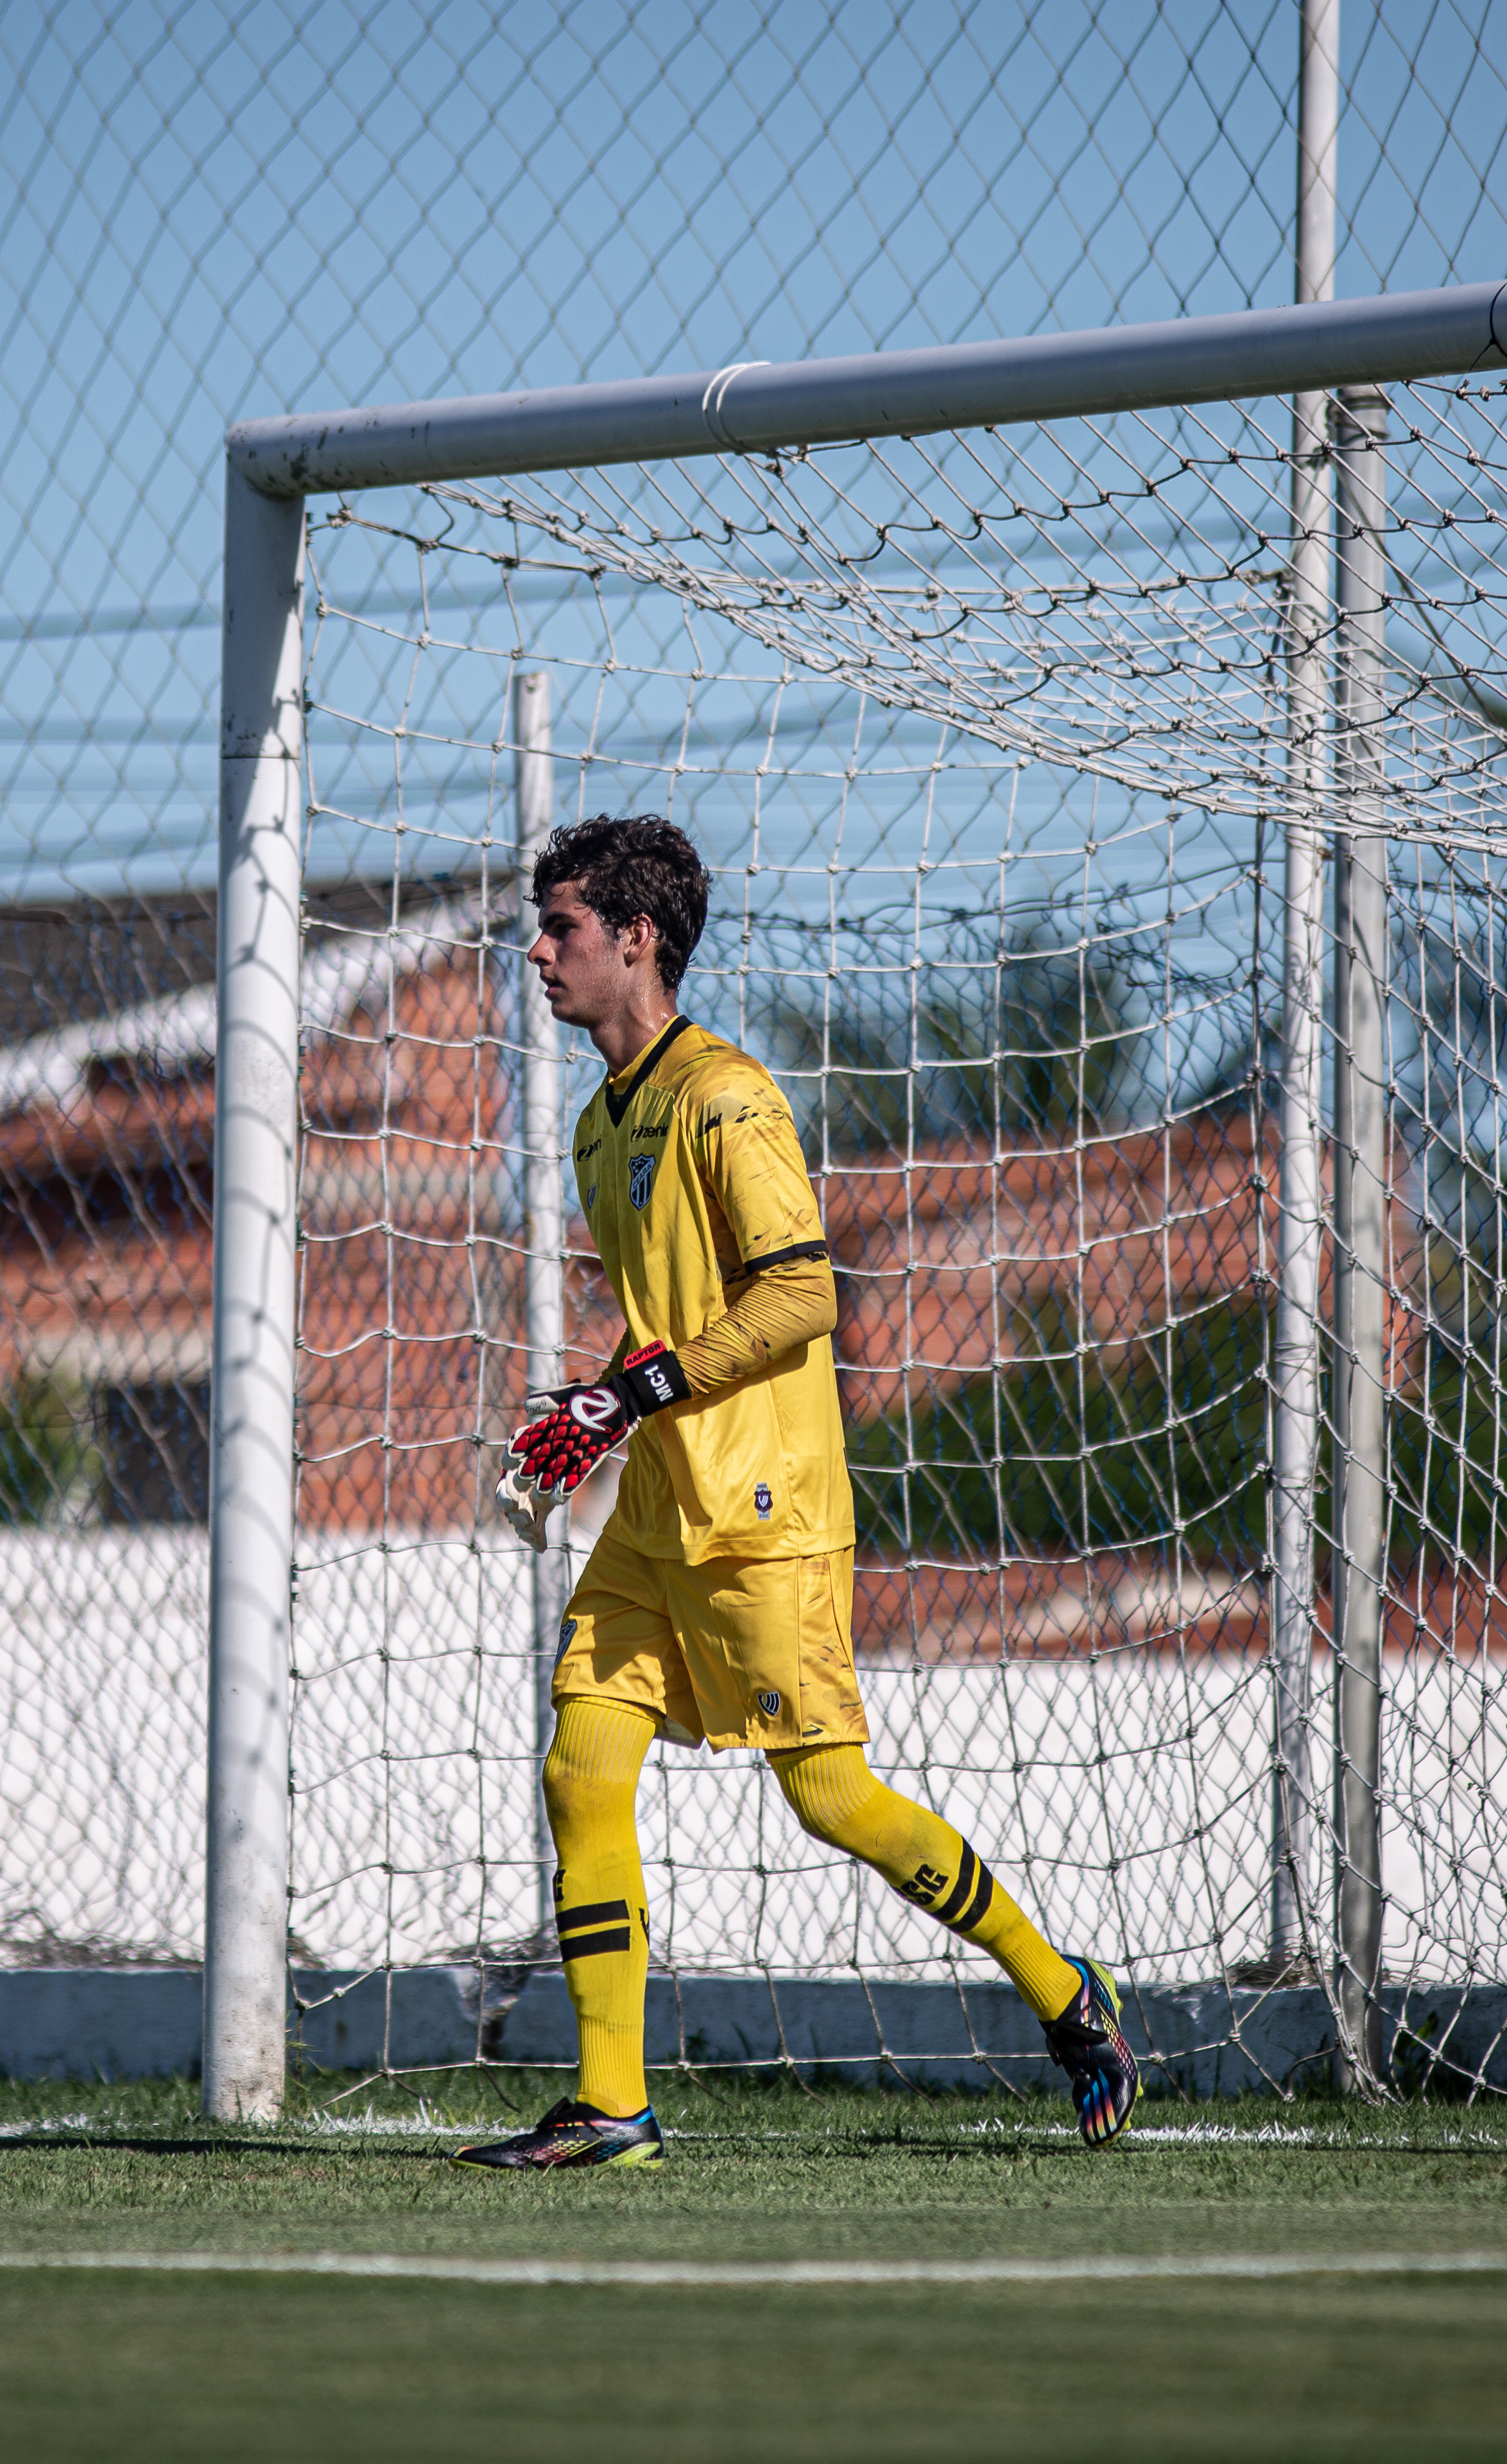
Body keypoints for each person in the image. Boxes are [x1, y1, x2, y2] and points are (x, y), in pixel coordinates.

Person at [456, 814, 1137, 2171]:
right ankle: (611, 2105)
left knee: (829, 1799)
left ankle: (1069, 1995)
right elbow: (677, 1321)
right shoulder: (605, 1121)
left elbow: (805, 1293)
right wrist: (601, 1411)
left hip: (764, 1510)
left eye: (563, 930)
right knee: (580, 1759)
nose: (537, 953)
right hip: (660, 1505)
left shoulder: (730, 1097)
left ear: (635, 942)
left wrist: (634, 1397)